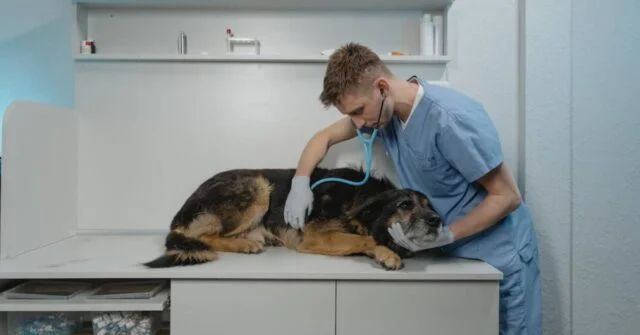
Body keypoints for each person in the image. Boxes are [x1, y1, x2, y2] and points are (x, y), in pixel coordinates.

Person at [283, 42, 541, 334]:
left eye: (358, 111)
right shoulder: (384, 115)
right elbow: (324, 137)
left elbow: (507, 196)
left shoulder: (450, 119)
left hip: (497, 254)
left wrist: (449, 235)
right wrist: (300, 181)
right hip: (450, 256)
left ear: (382, 87)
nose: (358, 123)